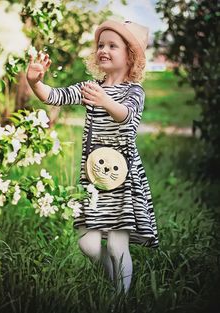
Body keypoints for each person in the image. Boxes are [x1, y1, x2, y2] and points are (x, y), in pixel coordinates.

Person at [26, 19, 159, 296]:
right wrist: (35, 82)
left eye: (113, 45)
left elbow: (127, 118)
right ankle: (113, 284)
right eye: (101, 44)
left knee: (115, 245)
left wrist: (106, 101)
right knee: (88, 244)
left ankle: (119, 300)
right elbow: (56, 96)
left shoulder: (134, 92)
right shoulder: (91, 87)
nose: (104, 49)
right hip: (95, 180)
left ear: (130, 56)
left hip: (121, 179)